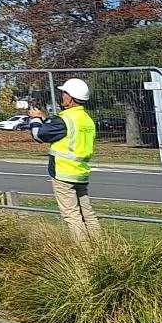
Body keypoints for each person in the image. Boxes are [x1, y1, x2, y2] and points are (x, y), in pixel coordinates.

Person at [33, 77, 99, 243]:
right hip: (81, 173)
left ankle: (84, 251)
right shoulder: (87, 120)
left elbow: (38, 135)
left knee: (72, 215)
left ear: (70, 97)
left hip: (63, 173)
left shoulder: (64, 119)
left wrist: (34, 119)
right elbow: (61, 131)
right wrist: (44, 118)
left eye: (63, 94)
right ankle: (100, 247)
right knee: (88, 214)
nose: (62, 96)